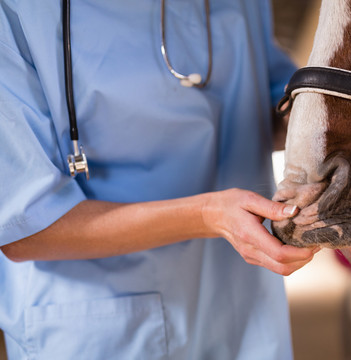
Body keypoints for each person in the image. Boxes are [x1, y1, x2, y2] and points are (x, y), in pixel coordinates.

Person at [0, 0, 318, 358]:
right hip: (102, 327)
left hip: (239, 307)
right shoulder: (17, 12)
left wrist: (343, 143)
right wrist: (207, 215)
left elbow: (277, 103)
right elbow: (26, 227)